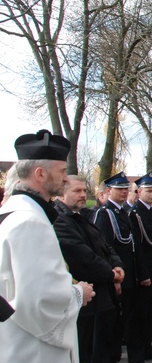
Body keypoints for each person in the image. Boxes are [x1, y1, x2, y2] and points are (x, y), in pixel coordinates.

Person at [0, 129, 95, 362]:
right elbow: (36, 299)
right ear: (40, 174)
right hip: (34, 348)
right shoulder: (29, 221)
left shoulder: (15, 211)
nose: (66, 178)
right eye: (62, 171)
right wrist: (77, 293)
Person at [54, 175, 125, 363]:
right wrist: (111, 274)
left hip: (102, 296)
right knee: (89, 353)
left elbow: (105, 247)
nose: (83, 195)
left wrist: (118, 265)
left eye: (85, 190)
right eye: (77, 191)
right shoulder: (61, 220)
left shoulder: (82, 217)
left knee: (103, 350)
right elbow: (83, 258)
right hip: (86, 301)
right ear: (61, 195)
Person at [93, 170, 148, 363]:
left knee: (133, 319)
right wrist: (114, 277)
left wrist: (142, 274)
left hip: (130, 276)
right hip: (119, 276)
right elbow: (105, 248)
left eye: (126, 188)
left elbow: (134, 247)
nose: (124, 192)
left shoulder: (124, 212)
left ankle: (136, 356)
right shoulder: (105, 214)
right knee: (117, 322)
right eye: (120, 189)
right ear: (108, 191)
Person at [128, 174, 152, 362]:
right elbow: (138, 247)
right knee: (141, 315)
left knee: (151, 314)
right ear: (138, 192)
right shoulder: (135, 214)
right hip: (145, 273)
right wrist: (144, 274)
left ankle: (147, 347)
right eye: (149, 191)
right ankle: (137, 354)